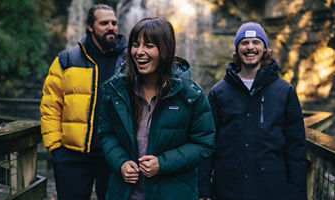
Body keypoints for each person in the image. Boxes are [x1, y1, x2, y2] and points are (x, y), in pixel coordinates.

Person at [98, 17, 215, 200]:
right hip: (124, 193)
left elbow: (204, 143)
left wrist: (162, 163)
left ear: (165, 49)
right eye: (135, 44)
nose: (139, 52)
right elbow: (106, 133)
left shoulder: (191, 95)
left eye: (149, 45)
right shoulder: (115, 90)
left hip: (173, 193)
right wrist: (121, 162)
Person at [198, 22, 307, 200]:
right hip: (229, 188)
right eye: (244, 42)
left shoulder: (284, 91)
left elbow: (296, 147)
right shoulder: (219, 92)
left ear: (264, 49)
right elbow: (208, 142)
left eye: (256, 42)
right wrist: (203, 188)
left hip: (272, 189)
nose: (250, 47)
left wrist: (297, 193)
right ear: (237, 49)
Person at [39, 4, 127, 200]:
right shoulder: (67, 59)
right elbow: (51, 106)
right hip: (73, 156)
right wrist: (56, 148)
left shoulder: (129, 60)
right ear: (90, 26)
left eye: (114, 23)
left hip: (115, 156)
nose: (111, 27)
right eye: (104, 23)